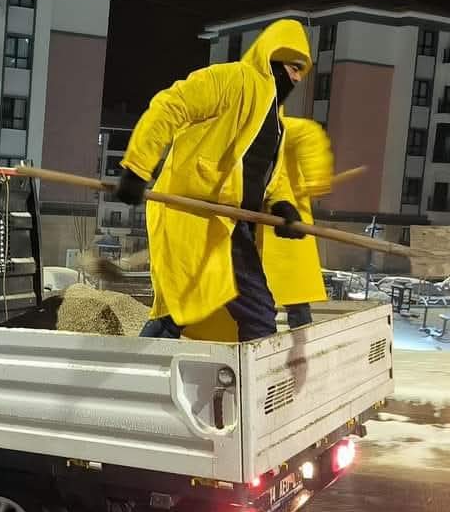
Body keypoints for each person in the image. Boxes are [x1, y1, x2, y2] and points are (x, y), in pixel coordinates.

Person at [114, 19, 333, 342]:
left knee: (201, 311)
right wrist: (137, 168)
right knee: (225, 311)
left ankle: (150, 364)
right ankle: (146, 366)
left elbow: (268, 175)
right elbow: (171, 106)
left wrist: (282, 205)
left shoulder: (276, 121)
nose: (298, 78)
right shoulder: (231, 80)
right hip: (193, 215)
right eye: (293, 68)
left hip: (229, 224)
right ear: (274, 57)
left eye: (302, 71)